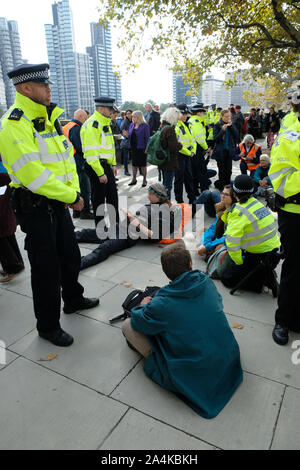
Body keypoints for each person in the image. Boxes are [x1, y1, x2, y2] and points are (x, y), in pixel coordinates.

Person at [0, 63, 99, 347]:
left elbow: (66, 160)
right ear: (26, 88)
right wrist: (72, 197)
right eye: (44, 85)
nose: (49, 89)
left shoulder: (48, 119)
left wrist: (73, 191)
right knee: (46, 268)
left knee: (69, 253)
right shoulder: (14, 124)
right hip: (35, 205)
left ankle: (73, 299)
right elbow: (33, 175)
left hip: (57, 201)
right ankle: (47, 325)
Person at [121, 241, 243, 419]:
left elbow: (140, 322)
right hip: (228, 359)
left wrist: (142, 305)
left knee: (128, 326)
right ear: (191, 264)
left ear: (166, 272)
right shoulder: (206, 282)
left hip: (199, 375)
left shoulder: (162, 303)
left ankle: (157, 358)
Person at [77, 183, 188, 270]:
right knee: (87, 233)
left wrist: (137, 223)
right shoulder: (154, 205)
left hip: (127, 236)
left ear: (158, 196)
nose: (148, 196)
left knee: (103, 249)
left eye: (150, 194)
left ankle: (78, 265)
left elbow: (155, 235)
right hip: (119, 227)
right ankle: (62, 238)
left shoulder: (165, 214)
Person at [269, 89, 300, 345]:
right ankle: (284, 319)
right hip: (294, 212)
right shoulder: (291, 133)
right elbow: (281, 179)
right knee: (294, 267)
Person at [220, 175, 281, 294]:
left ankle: (259, 283)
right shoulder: (256, 203)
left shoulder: (238, 212)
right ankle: (265, 273)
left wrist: (238, 262)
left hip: (258, 257)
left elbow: (232, 243)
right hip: (274, 254)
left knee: (227, 278)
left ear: (234, 193)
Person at [80, 96, 119, 228]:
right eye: (109, 109)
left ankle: (115, 226)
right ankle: (101, 230)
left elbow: (110, 145)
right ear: (101, 109)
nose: (111, 112)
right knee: (99, 200)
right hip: (97, 166)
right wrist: (100, 173)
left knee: (113, 197)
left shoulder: (104, 123)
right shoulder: (92, 125)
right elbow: (91, 154)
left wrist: (113, 164)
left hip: (105, 165)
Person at [63, 109, 93, 220]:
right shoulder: (76, 128)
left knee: (77, 187)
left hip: (70, 161)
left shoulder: (67, 126)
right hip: (79, 161)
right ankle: (85, 212)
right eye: (85, 118)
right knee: (85, 188)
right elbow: (81, 147)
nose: (86, 120)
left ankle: (76, 212)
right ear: (80, 116)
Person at [0, 157, 24, 282]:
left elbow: (5, 174)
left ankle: (12, 267)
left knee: (3, 232)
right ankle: (16, 264)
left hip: (3, 187)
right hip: (4, 190)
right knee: (6, 231)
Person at [197, 185, 236, 257]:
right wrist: (206, 244)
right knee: (212, 192)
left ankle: (211, 252)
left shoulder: (234, 214)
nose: (222, 196)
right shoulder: (222, 207)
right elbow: (212, 228)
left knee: (220, 246)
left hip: (230, 240)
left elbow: (227, 237)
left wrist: (207, 246)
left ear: (234, 197)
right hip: (220, 235)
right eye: (222, 193)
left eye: (226, 195)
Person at [174, 103, 196, 207]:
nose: (185, 116)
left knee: (189, 178)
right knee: (179, 179)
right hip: (180, 156)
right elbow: (177, 144)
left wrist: (193, 151)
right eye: (182, 113)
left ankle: (192, 199)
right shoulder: (176, 126)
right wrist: (189, 152)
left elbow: (193, 140)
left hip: (188, 155)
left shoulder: (186, 124)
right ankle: (179, 201)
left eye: (186, 113)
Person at [159, 107, 183, 200]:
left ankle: (164, 204)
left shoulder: (162, 126)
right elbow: (174, 147)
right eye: (177, 117)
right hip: (169, 161)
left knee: (165, 185)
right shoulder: (170, 129)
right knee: (167, 186)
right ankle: (166, 205)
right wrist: (180, 145)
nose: (178, 119)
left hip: (163, 160)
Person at [213, 109, 239, 190]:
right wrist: (222, 130)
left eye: (229, 116)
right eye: (226, 116)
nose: (228, 118)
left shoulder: (231, 124)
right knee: (222, 171)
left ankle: (228, 187)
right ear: (222, 116)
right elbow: (216, 139)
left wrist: (231, 126)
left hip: (229, 151)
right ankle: (222, 188)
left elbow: (237, 136)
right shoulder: (217, 125)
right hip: (220, 152)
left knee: (229, 171)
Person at [188, 104, 210, 195]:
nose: (203, 114)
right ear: (199, 113)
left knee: (194, 171)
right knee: (202, 171)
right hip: (198, 148)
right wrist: (206, 148)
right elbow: (200, 138)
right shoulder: (196, 122)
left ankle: (195, 190)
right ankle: (205, 191)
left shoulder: (190, 120)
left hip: (192, 148)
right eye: (202, 112)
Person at [128, 110, 150, 187]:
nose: (133, 118)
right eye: (132, 117)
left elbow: (147, 138)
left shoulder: (145, 125)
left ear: (139, 117)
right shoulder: (131, 125)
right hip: (133, 148)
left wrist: (147, 149)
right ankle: (134, 179)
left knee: (143, 165)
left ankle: (144, 180)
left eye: (134, 117)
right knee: (134, 165)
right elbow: (130, 135)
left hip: (142, 148)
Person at [120, 109, 132, 176]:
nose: (128, 115)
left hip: (131, 141)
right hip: (126, 141)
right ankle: (126, 171)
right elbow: (122, 130)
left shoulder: (132, 120)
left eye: (130, 113)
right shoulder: (125, 121)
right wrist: (127, 135)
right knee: (126, 157)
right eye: (127, 113)